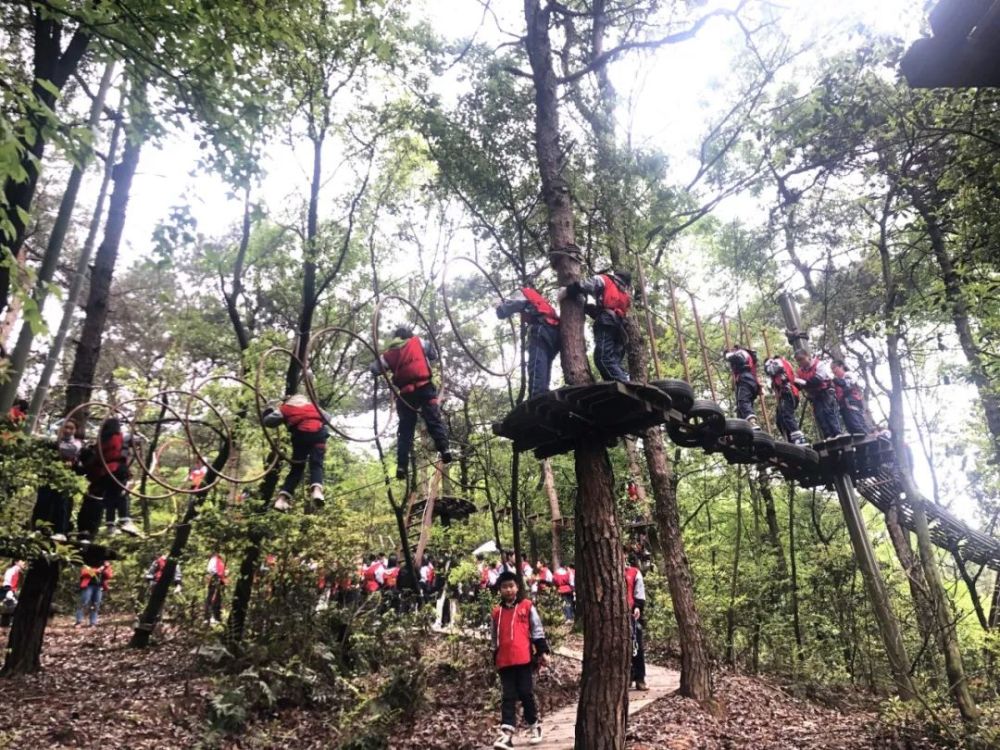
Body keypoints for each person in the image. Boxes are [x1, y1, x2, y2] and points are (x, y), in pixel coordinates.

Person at [369, 326, 452, 480]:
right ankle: (444, 449)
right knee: (434, 420)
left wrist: (381, 359)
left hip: (406, 395)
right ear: (409, 335)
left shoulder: (388, 354)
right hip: (425, 387)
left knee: (405, 431)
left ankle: (401, 466)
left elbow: (374, 369)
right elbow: (433, 354)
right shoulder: (418, 341)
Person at [491, 571, 549, 748]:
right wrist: (494, 655)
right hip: (505, 661)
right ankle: (507, 735)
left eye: (511, 586)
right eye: (504, 587)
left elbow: (537, 630)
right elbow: (494, 637)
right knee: (508, 696)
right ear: (500, 590)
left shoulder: (526, 606)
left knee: (525, 693)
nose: (508, 590)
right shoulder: (496, 613)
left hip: (523, 659)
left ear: (517, 587)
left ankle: (534, 725)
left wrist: (542, 652)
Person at [262, 393, 329, 512]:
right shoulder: (313, 406)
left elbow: (269, 421)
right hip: (319, 436)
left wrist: (268, 412)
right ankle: (317, 492)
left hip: (300, 437)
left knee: (297, 469)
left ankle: (281, 500)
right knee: (316, 465)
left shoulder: (285, 408)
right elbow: (328, 417)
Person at [564, 270, 633, 382]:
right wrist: (591, 309)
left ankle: (624, 383)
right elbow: (613, 309)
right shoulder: (625, 295)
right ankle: (624, 379)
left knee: (602, 359)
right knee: (614, 362)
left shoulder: (605, 280)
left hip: (607, 323)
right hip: (619, 329)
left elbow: (586, 285)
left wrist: (568, 290)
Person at [79, 417, 140, 537]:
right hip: (118, 469)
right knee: (122, 494)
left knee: (110, 497)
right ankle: (125, 520)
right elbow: (137, 441)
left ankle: (110, 525)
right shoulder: (122, 437)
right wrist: (135, 435)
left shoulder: (101, 441)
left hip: (105, 473)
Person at [496, 286, 560, 398]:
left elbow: (505, 310)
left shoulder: (523, 292)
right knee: (544, 364)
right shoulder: (538, 299)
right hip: (554, 333)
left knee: (536, 363)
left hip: (542, 329)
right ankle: (543, 392)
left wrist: (499, 306)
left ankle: (537, 396)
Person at [31, 418, 82, 541]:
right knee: (42, 503)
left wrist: (53, 444)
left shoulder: (76, 443)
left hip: (64, 479)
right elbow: (38, 441)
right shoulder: (52, 439)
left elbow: (69, 450)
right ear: (61, 428)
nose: (68, 430)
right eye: (66, 427)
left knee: (62, 505)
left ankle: (60, 531)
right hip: (48, 476)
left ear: (75, 431)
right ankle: (37, 530)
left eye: (71, 428)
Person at [793, 350, 842, 439]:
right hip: (814, 395)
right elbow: (799, 386)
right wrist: (794, 382)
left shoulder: (819, 364)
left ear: (808, 356)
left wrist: (803, 382)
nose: (800, 362)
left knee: (829, 411)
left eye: (801, 359)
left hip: (825, 391)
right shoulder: (799, 371)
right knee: (819, 415)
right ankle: (828, 435)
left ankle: (837, 432)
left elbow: (817, 380)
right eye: (798, 361)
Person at [763, 357, 807, 445]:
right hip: (784, 395)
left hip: (788, 392)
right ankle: (790, 439)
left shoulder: (777, 362)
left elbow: (771, 370)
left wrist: (768, 364)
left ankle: (799, 437)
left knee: (786, 414)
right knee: (780, 419)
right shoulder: (778, 371)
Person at [724, 345, 761, 429]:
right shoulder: (746, 356)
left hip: (745, 378)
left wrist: (729, 355)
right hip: (750, 381)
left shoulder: (741, 352)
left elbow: (739, 358)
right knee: (741, 407)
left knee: (743, 401)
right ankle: (746, 429)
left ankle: (752, 422)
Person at [625, 554, 647, 691]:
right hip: (613, 615)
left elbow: (639, 592)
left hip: (632, 613)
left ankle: (640, 678)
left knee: (636, 646)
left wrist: (638, 606)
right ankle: (626, 677)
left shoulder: (634, 572)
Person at [831, 359, 869, 435]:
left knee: (857, 426)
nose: (833, 371)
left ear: (841, 366)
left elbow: (847, 386)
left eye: (835, 368)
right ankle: (860, 446)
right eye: (832, 369)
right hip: (843, 406)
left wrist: (835, 380)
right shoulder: (837, 381)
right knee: (851, 429)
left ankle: (870, 442)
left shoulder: (848, 375)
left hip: (852, 403)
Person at [75, 560, 112, 627]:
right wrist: (97, 570)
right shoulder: (87, 564)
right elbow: (84, 573)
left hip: (99, 587)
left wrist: (105, 568)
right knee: (83, 603)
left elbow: (109, 576)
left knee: (95, 604)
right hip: (88, 586)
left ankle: (93, 623)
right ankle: (79, 622)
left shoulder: (105, 565)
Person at [0, 560, 25, 628]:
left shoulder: (18, 571)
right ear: (16, 562)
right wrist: (9, 590)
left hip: (12, 591)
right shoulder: (12, 570)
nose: (24, 563)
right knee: (11, 606)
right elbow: (7, 581)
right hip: (9, 591)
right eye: (22, 561)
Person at [205, 550, 227, 625]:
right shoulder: (214, 559)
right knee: (212, 597)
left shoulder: (220, 561)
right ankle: (209, 617)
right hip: (215, 577)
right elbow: (210, 570)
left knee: (218, 598)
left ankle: (216, 617)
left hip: (220, 579)